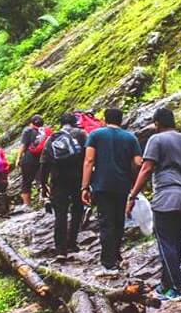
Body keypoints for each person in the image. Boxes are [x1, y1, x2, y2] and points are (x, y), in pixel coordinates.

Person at [126, 108, 181, 302]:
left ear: (157, 124)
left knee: (166, 243)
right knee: (175, 244)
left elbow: (146, 168)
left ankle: (178, 288)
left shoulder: (156, 140)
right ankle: (166, 285)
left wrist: (133, 196)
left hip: (167, 198)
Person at [81, 108, 142, 278]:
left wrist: (84, 186)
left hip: (102, 184)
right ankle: (116, 256)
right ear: (121, 120)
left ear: (105, 119)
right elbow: (138, 162)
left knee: (106, 223)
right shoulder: (130, 137)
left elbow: (89, 160)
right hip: (122, 185)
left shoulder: (96, 135)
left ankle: (109, 265)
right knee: (118, 221)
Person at [40, 112, 88, 257]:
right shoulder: (81, 134)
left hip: (58, 180)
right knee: (77, 209)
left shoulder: (53, 137)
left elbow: (44, 162)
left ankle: (60, 250)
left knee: (60, 214)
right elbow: (88, 157)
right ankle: (72, 242)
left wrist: (43, 184)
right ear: (74, 122)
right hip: (77, 179)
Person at [17, 114, 50, 209]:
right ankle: (47, 199)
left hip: (29, 159)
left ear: (31, 123)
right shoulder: (45, 131)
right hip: (43, 160)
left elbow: (23, 145)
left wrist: (18, 158)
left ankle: (27, 205)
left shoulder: (28, 130)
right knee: (43, 181)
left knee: (26, 182)